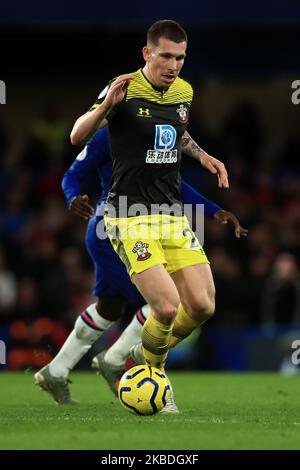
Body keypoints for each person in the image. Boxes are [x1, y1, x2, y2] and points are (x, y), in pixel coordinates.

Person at [34, 127, 247, 407]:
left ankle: (58, 370)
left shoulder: (159, 130)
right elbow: (72, 174)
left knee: (110, 307)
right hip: (115, 226)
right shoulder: (109, 134)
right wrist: (73, 196)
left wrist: (212, 209)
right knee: (168, 301)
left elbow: (175, 185)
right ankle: (123, 359)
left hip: (145, 225)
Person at [70, 20, 230, 381]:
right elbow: (77, 136)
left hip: (171, 213)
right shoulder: (123, 87)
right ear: (148, 53)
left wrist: (202, 156)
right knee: (167, 307)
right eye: (167, 56)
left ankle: (136, 355)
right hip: (129, 215)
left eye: (181, 58)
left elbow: (176, 130)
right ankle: (153, 375)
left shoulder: (183, 92)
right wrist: (105, 108)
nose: (174, 65)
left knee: (203, 306)